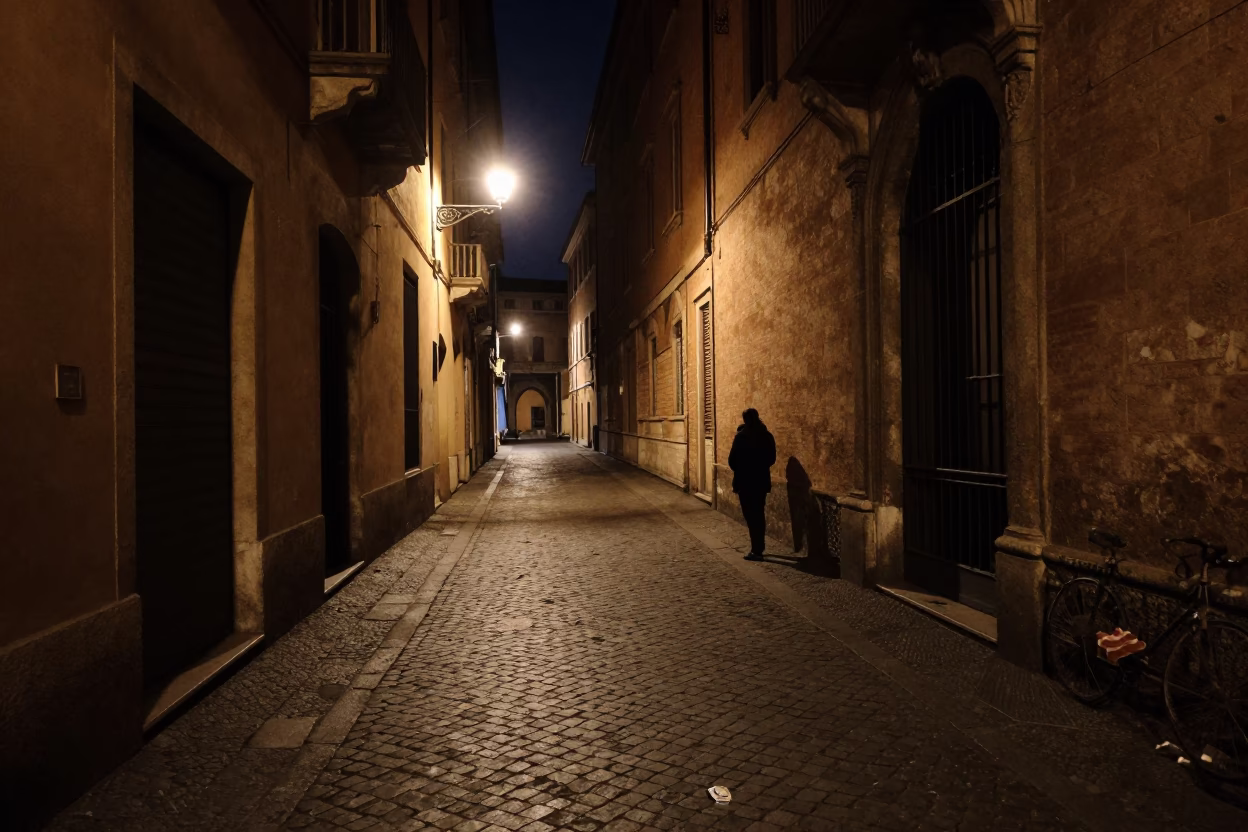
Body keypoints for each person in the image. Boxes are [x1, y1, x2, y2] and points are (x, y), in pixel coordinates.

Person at [728, 408, 776, 561]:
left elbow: (732, 461)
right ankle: (759, 547)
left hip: (745, 482)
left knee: (750, 515)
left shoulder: (741, 437)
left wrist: (743, 468)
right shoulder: (767, 436)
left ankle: (756, 549)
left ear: (745, 420)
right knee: (759, 514)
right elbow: (771, 458)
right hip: (760, 481)